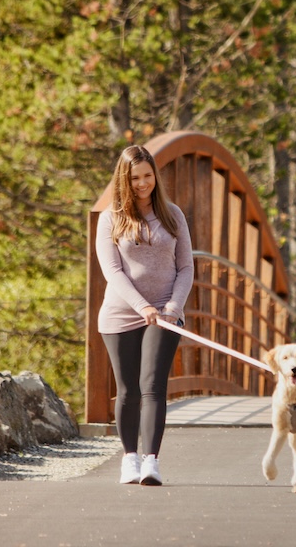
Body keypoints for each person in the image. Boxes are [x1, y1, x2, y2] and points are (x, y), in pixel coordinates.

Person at [96, 145, 194, 486]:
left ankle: (151, 461)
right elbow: (112, 271)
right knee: (128, 391)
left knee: (152, 386)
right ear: (124, 179)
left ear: (156, 176)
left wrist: (172, 308)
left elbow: (185, 267)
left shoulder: (173, 215)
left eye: (148, 176)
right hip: (121, 314)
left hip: (166, 313)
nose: (142, 184)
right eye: (135, 178)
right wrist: (143, 307)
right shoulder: (111, 218)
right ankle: (129, 459)